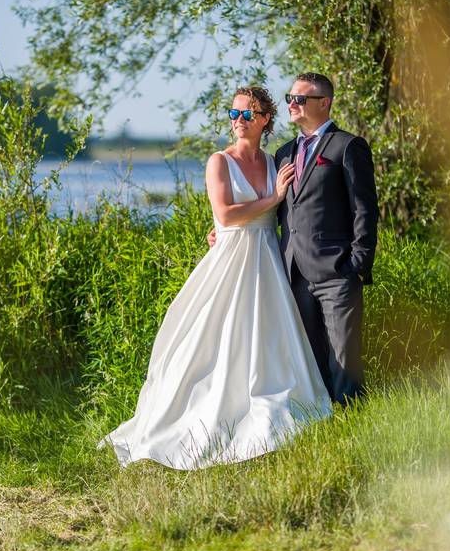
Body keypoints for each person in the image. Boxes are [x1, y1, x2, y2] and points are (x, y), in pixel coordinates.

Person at [101, 86, 332, 470]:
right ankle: (203, 417)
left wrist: (276, 205)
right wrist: (269, 201)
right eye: (234, 113)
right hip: (232, 260)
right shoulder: (219, 161)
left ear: (264, 121)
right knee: (216, 341)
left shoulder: (276, 161)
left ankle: (278, 406)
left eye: (247, 114)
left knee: (268, 340)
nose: (238, 121)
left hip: (267, 261)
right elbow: (225, 216)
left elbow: (287, 210)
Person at [210, 73, 379, 405]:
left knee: (344, 354)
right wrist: (224, 229)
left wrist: (358, 264)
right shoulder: (282, 155)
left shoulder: (347, 146)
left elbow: (365, 209)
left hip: (337, 269)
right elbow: (273, 206)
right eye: (290, 97)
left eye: (300, 99)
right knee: (308, 355)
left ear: (324, 102)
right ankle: (319, 415)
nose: (293, 103)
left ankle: (353, 419)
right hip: (291, 271)